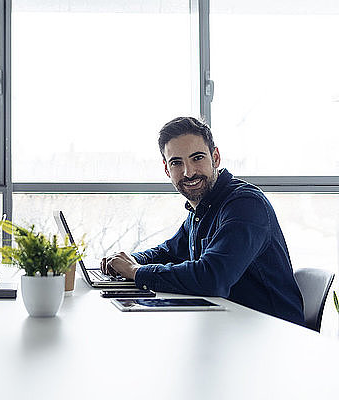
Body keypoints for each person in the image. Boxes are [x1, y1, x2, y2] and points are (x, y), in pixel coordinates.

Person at [101, 117, 305, 326]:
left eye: (197, 158)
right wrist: (126, 262)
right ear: (166, 169)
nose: (189, 172)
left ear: (215, 157)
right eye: (176, 163)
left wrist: (135, 272)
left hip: (272, 334)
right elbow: (169, 252)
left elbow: (212, 278)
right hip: (229, 325)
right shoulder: (202, 207)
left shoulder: (245, 204)